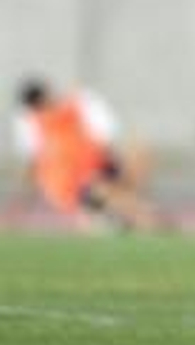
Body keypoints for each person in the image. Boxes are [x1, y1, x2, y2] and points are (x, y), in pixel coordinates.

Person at [3, 78, 170, 233]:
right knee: (102, 191)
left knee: (134, 155)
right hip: (77, 188)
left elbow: (107, 139)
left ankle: (127, 214)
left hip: (98, 172)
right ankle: (133, 217)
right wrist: (20, 206)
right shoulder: (34, 124)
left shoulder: (77, 106)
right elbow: (33, 167)